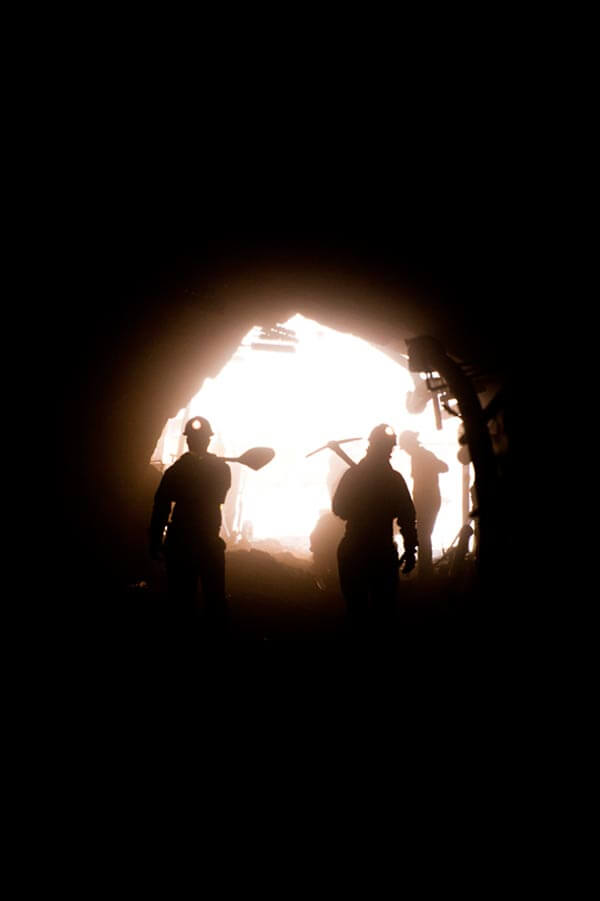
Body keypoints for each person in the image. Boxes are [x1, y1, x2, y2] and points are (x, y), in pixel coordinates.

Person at [332, 424, 418, 638]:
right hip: (381, 552)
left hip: (354, 550)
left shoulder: (353, 476)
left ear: (370, 445)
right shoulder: (394, 480)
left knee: (357, 613)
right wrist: (410, 550)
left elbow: (339, 509)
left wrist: (361, 506)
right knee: (384, 614)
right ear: (389, 449)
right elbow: (407, 517)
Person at [149, 416, 232, 637]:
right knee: (211, 601)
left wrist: (155, 542)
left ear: (189, 442)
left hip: (184, 544)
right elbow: (162, 506)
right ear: (207, 441)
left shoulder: (178, 472)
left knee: (182, 602)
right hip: (204, 544)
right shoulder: (220, 469)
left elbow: (161, 508)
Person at [398, 430, 449, 578]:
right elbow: (442, 468)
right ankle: (425, 569)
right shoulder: (419, 456)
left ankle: (425, 571)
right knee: (423, 535)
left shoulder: (422, 456)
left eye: (406, 446)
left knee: (423, 535)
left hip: (427, 501)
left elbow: (444, 467)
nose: (406, 450)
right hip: (427, 500)